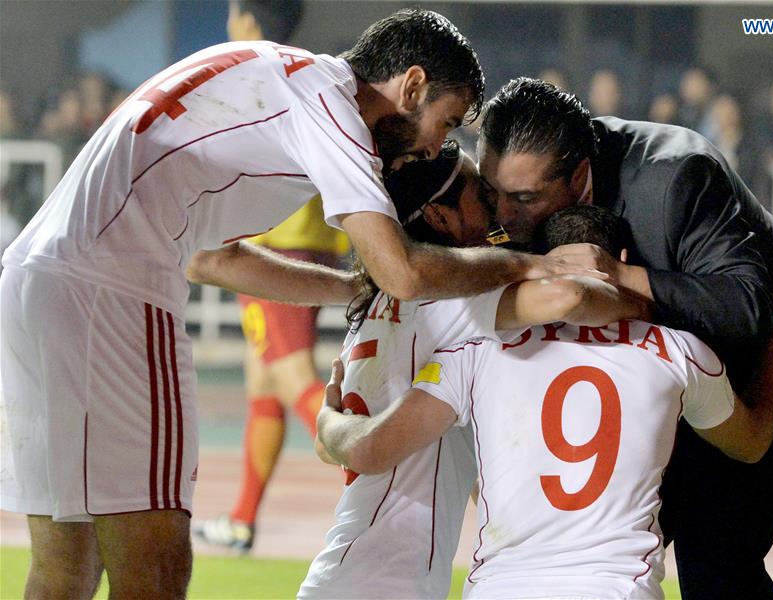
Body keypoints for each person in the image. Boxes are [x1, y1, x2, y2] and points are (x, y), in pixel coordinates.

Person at [0, 14, 594, 598]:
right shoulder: (332, 107)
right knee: (154, 571)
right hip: (114, 290)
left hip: (35, 278)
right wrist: (530, 263)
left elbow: (214, 261)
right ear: (412, 86)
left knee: (65, 568)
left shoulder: (276, 75)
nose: (437, 145)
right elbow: (405, 273)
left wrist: (348, 290)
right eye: (446, 122)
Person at [475, 78, 773, 598]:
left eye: (523, 198)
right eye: (492, 191)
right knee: (600, 540)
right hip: (680, 382)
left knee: (713, 557)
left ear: (581, 175)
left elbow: (746, 306)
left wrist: (621, 276)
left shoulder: (675, 175)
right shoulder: (511, 190)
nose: (502, 215)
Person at [316, 205, 773, 599]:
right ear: (620, 261)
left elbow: (367, 451)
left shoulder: (475, 352)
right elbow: (752, 444)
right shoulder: (678, 352)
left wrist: (328, 423)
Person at [299, 145, 645, 599]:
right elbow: (565, 297)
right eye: (480, 193)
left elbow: (345, 448)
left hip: (348, 573)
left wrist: (329, 428)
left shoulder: (377, 305)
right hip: (384, 584)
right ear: (442, 218)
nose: (497, 207)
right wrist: (648, 297)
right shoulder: (451, 303)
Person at [191, 0, 351, 554]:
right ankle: (241, 521)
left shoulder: (247, 72)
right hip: (312, 244)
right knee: (262, 384)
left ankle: (373, 478)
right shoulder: (310, 72)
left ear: (248, 19)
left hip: (271, 252)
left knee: (290, 378)